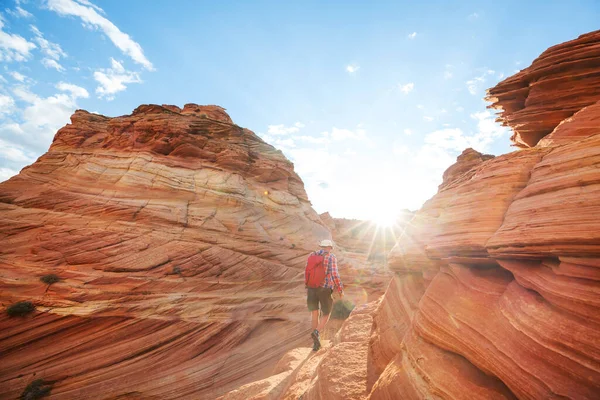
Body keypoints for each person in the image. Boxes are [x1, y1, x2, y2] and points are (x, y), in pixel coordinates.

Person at [306, 239, 344, 351]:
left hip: (311, 288)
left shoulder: (312, 255)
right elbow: (334, 274)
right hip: (325, 288)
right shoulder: (331, 257)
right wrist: (340, 288)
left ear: (321, 246)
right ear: (330, 247)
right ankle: (317, 332)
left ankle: (315, 343)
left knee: (314, 313)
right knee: (326, 313)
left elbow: (307, 271)